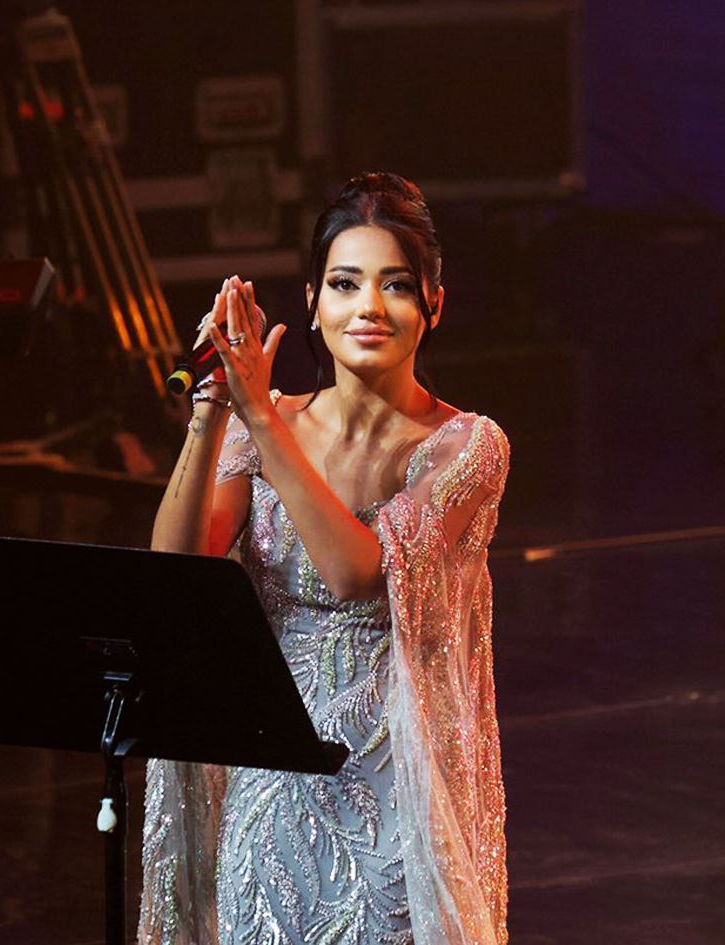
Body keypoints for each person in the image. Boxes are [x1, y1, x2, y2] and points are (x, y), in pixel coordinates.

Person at [140, 173, 510, 944]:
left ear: (434, 305)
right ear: (312, 301)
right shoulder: (263, 420)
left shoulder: (467, 447)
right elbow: (175, 569)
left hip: (392, 801)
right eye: (345, 283)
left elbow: (356, 573)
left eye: (395, 285)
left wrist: (260, 419)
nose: (368, 306)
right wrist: (213, 408)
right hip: (271, 791)